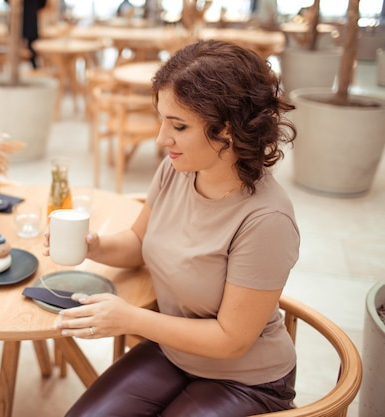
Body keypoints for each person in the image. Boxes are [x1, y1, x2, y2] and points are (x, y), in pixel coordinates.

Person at [44, 40, 300, 417]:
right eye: (162, 119)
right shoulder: (177, 169)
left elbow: (232, 341)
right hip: (173, 350)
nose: (162, 138)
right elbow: (137, 242)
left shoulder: (266, 220)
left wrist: (129, 319)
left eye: (178, 125)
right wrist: (93, 246)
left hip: (246, 379)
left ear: (228, 130)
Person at [5, 0, 47, 68]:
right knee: (26, 46)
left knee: (32, 46)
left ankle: (34, 66)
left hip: (29, 18)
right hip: (21, 20)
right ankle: (32, 66)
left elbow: (42, 4)